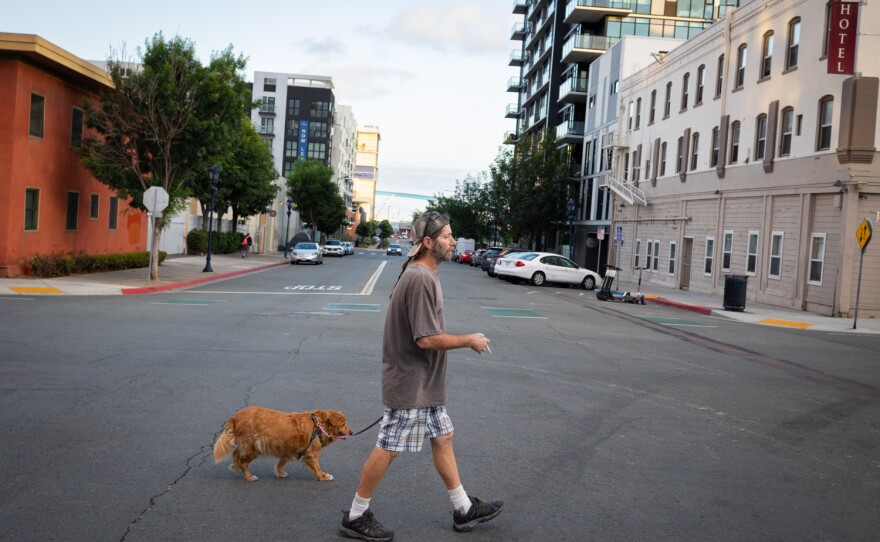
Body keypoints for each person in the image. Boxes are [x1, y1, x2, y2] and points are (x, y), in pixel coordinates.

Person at [339, 211, 503, 541]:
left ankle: (462, 509)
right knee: (388, 447)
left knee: (443, 437)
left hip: (424, 384)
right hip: (411, 384)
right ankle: (356, 515)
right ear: (428, 242)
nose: (453, 241)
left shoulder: (425, 274)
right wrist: (468, 340)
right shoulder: (420, 278)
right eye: (447, 237)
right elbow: (425, 339)